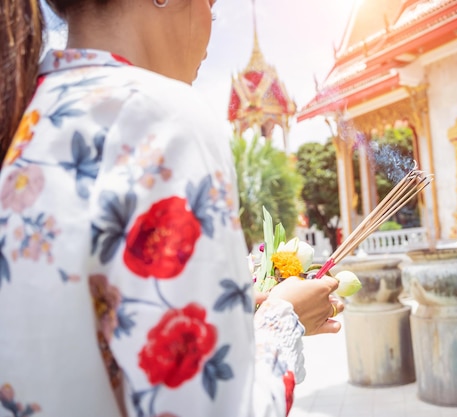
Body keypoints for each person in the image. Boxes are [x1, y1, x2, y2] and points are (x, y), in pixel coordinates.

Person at [0, 1, 345, 416]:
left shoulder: (20, 118)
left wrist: (227, 310)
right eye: (212, 9)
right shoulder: (164, 120)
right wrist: (282, 317)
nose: (209, 31)